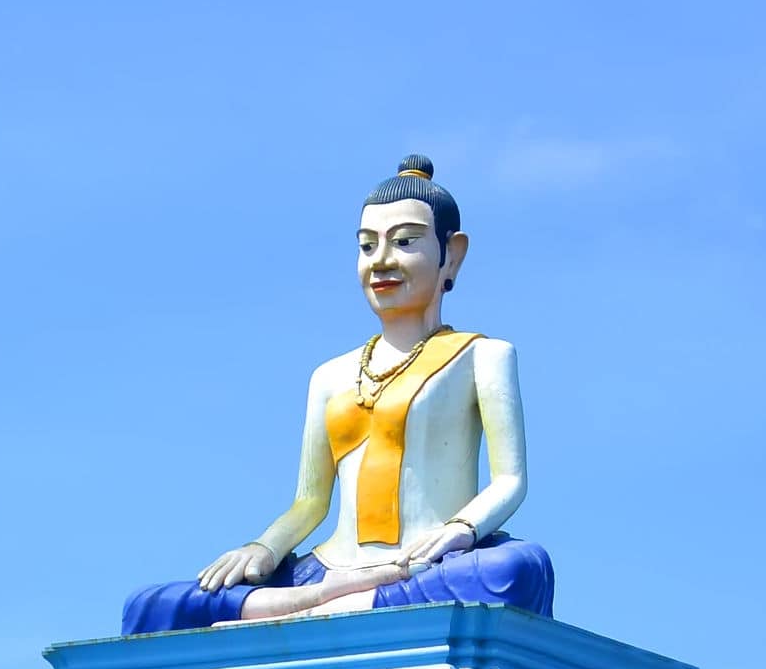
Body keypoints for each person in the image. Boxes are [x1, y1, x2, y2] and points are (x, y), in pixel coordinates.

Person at [123, 156, 553, 635]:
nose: (382, 261)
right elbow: (309, 502)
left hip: (422, 563)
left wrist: (460, 531)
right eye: (368, 246)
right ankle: (325, 600)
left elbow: (509, 480)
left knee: (516, 569)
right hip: (329, 568)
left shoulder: (482, 357)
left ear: (452, 254)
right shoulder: (330, 375)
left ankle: (300, 613)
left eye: (405, 241)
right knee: (152, 606)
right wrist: (263, 548)